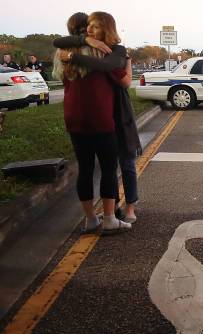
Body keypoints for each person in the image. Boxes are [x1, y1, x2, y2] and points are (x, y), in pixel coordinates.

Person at [54, 15, 140, 224]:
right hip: (102, 117)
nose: (90, 31)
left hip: (82, 117)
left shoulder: (65, 54)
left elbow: (124, 80)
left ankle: (96, 218)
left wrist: (76, 54)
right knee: (110, 168)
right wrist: (88, 43)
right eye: (88, 28)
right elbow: (122, 79)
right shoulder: (100, 51)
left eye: (95, 27)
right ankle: (111, 216)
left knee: (91, 168)